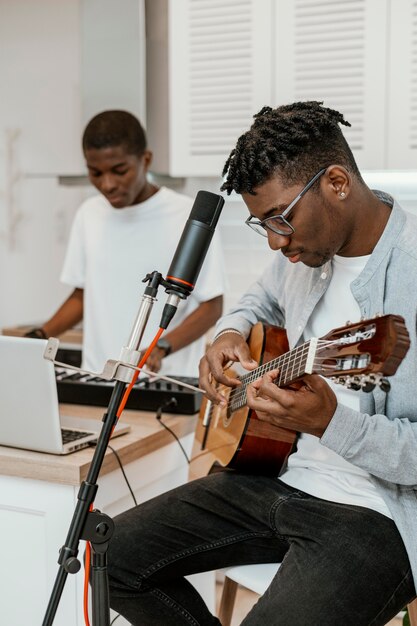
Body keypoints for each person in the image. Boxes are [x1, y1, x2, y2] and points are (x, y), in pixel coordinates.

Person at [106, 101, 417, 625]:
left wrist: (329, 424)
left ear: (337, 182)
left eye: (280, 219)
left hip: (377, 514)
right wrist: (227, 334)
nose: (276, 242)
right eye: (262, 226)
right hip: (276, 475)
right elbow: (259, 302)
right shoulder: (304, 254)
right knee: (106, 555)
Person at [26, 110, 224, 376]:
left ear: (146, 160)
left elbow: (212, 306)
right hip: (98, 378)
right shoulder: (89, 214)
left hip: (164, 383)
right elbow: (84, 294)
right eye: (95, 173)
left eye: (120, 171)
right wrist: (41, 334)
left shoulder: (189, 217)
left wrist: (161, 347)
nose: (107, 184)